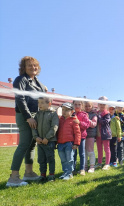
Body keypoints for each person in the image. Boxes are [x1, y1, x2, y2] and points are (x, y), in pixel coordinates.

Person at [6, 56, 47, 187]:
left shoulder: (38, 82)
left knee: (32, 144)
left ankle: (28, 173)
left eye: (35, 66)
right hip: (25, 115)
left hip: (36, 115)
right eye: (29, 65)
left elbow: (43, 98)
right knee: (24, 144)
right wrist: (28, 117)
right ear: (23, 68)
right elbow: (20, 99)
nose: (33, 68)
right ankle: (13, 178)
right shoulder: (20, 80)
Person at [32, 97, 59, 182]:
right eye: (39, 102)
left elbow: (54, 127)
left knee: (50, 158)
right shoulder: (38, 114)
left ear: (49, 104)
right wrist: (36, 137)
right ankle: (42, 175)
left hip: (49, 141)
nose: (39, 105)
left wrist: (47, 138)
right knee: (41, 159)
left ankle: (51, 175)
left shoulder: (53, 114)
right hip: (40, 141)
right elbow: (34, 127)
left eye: (42, 103)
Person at [57, 103, 81, 181]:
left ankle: (70, 173)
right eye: (63, 110)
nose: (64, 112)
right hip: (60, 143)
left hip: (69, 143)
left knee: (69, 159)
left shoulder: (74, 120)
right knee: (63, 159)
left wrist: (76, 143)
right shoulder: (60, 120)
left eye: (67, 110)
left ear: (72, 111)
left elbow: (77, 133)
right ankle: (65, 172)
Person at [73, 100, 90, 176]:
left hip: (81, 136)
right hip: (72, 137)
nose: (77, 106)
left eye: (79, 104)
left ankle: (82, 169)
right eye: (75, 104)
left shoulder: (84, 114)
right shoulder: (71, 113)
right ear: (73, 105)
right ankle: (73, 169)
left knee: (82, 153)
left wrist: (79, 122)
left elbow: (87, 125)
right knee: (73, 153)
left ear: (82, 106)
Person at [96, 96, 112, 170]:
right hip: (98, 134)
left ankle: (107, 164)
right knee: (99, 149)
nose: (102, 106)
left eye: (104, 104)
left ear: (106, 105)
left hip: (105, 134)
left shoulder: (107, 113)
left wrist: (98, 117)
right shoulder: (96, 112)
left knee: (106, 149)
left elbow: (105, 122)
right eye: (101, 104)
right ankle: (99, 163)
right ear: (98, 104)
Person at [114, 100, 124, 165]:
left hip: (123, 134)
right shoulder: (114, 114)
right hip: (116, 133)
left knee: (123, 146)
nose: (120, 108)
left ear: (123, 108)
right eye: (118, 107)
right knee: (116, 147)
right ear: (116, 107)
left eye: (121, 107)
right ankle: (116, 158)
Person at [84, 101, 98, 173]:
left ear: (91, 107)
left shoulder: (94, 115)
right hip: (83, 135)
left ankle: (92, 166)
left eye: (89, 106)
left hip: (90, 135)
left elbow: (93, 124)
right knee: (84, 152)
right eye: (86, 106)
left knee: (90, 151)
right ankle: (85, 166)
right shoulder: (83, 113)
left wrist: (87, 119)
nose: (87, 108)